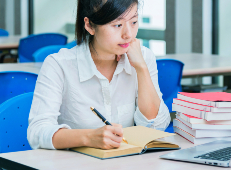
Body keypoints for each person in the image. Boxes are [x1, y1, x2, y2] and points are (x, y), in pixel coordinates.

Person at [27, 0, 170, 150]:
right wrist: (88, 138)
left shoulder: (143, 57)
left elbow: (156, 127)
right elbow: (37, 132)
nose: (128, 34)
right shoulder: (58, 65)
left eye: (134, 22)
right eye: (117, 25)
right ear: (89, 25)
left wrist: (141, 68)